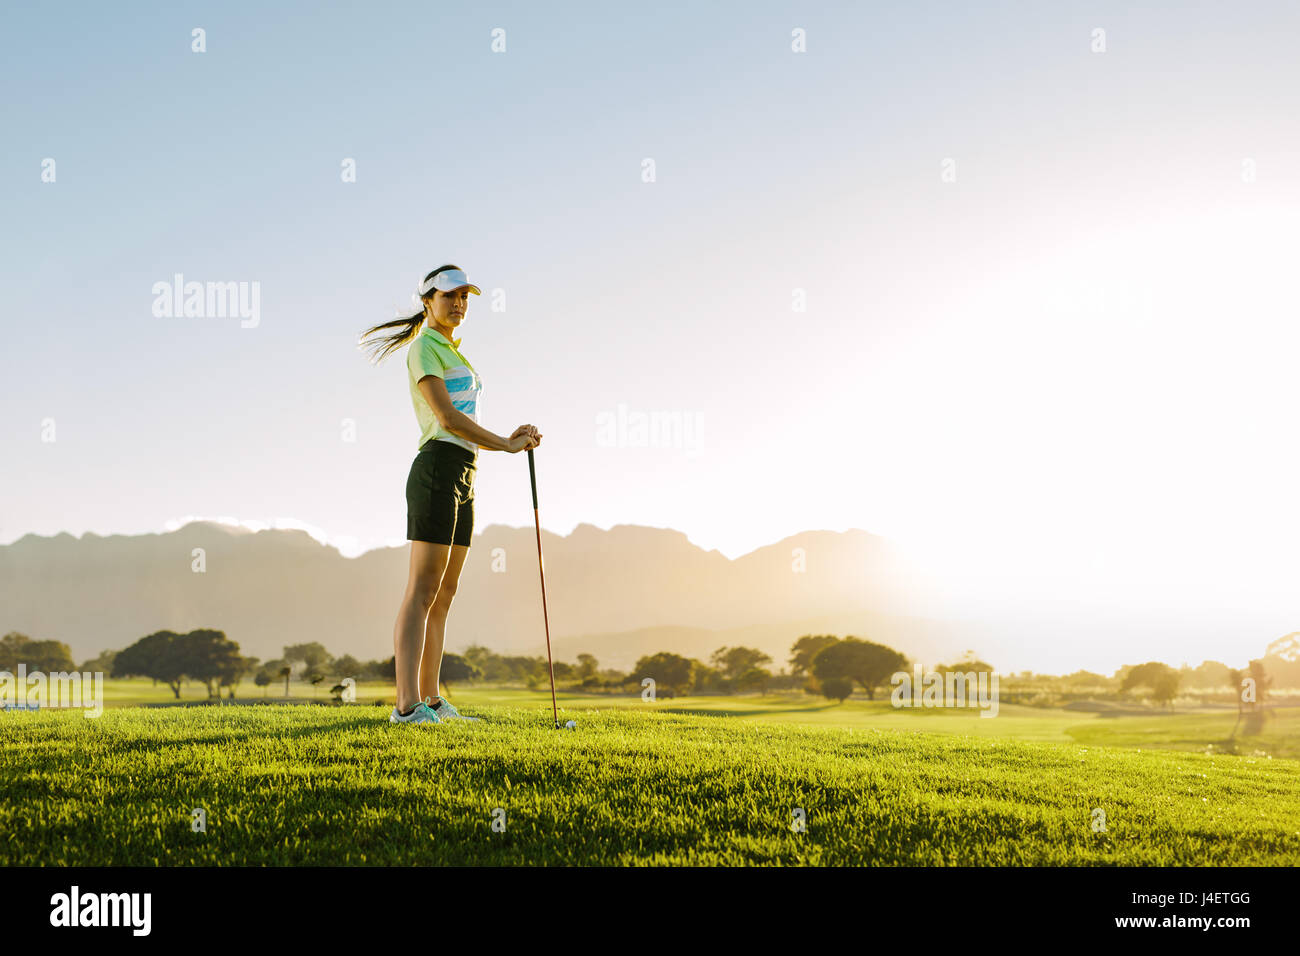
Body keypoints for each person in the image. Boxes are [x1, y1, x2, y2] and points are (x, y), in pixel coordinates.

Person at [359, 264, 542, 726]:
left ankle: (433, 700)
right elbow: (447, 419)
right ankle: (406, 707)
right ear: (428, 302)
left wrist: (509, 438)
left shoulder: (456, 353)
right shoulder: (424, 348)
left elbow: (467, 425)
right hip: (437, 468)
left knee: (445, 594)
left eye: (464, 296)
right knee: (421, 591)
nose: (459, 303)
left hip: (464, 472)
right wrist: (505, 445)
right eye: (449, 296)